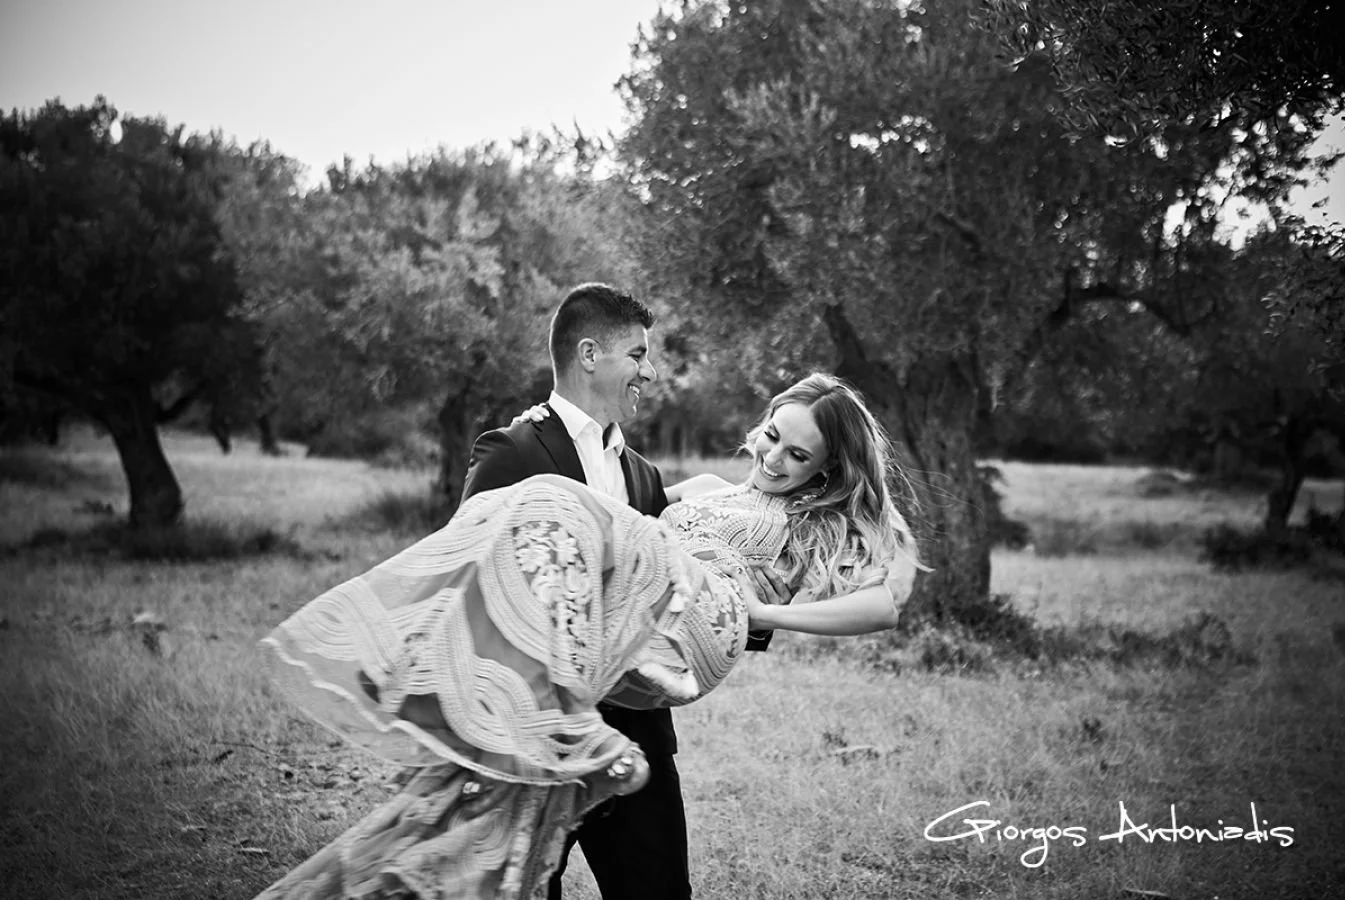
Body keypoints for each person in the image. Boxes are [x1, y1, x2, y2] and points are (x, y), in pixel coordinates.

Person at [254, 313, 924, 900]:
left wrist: (769, 614)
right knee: (499, 846)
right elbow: (614, 546)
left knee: (552, 495)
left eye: (798, 454)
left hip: (704, 627)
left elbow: (884, 607)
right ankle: (461, 677)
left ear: (825, 469)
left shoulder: (812, 523)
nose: (774, 458)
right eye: (773, 435)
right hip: (621, 653)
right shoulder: (698, 488)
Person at [458, 282, 692, 900]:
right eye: (638, 355)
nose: (651, 370)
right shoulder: (511, 452)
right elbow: (468, 581)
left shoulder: (644, 475)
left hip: (635, 736)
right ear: (590, 355)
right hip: (535, 742)